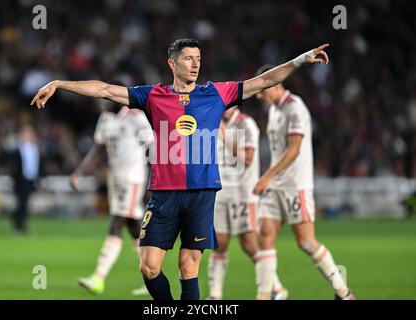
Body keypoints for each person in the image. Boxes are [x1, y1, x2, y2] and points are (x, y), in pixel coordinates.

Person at [31, 38, 330, 300]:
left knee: (189, 267)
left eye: (198, 59)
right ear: (172, 63)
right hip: (163, 195)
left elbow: (264, 81)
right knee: (148, 266)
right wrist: (58, 84)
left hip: (201, 193)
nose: (195, 64)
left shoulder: (215, 94)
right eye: (188, 58)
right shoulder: (153, 96)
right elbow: (105, 90)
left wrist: (302, 59)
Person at [253, 64, 355, 300]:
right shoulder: (273, 110)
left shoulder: (294, 108)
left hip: (295, 185)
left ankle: (344, 291)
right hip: (275, 186)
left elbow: (295, 149)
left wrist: (267, 175)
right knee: (265, 235)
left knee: (306, 242)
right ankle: (265, 295)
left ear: (275, 84)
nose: (259, 95)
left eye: (262, 89)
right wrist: (270, 178)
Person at [71, 99, 154, 296]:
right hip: (114, 179)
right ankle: (153, 276)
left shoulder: (136, 118)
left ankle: (98, 278)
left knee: (117, 221)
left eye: (108, 98)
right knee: (133, 227)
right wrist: (79, 172)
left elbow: (153, 148)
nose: (104, 102)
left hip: (133, 178)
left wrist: (154, 181)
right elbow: (98, 150)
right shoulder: (106, 119)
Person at [207, 106, 289, 299]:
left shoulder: (247, 124)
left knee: (249, 244)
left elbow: (248, 159)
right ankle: (215, 295)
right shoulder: (212, 124)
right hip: (219, 192)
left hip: (243, 193)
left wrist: (225, 135)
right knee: (219, 243)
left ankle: (275, 288)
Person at [9, 125, 41, 233]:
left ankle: (20, 223)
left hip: (31, 178)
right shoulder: (19, 149)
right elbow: (14, 166)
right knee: (21, 202)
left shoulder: (35, 148)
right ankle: (19, 223)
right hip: (21, 179)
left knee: (25, 202)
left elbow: (36, 164)